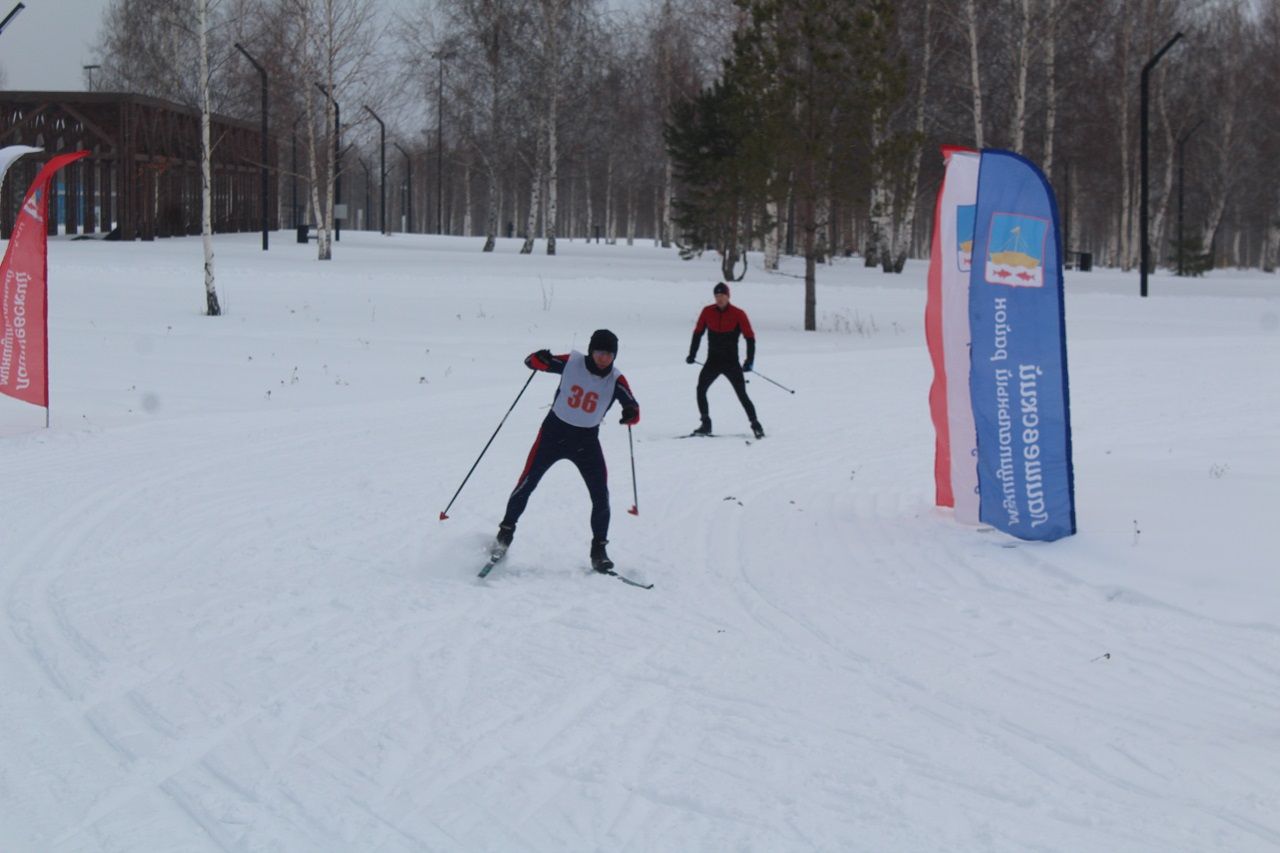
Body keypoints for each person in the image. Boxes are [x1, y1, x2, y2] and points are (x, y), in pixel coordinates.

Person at [494, 329, 640, 572]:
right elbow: (532, 362)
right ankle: (504, 537)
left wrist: (631, 413)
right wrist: (539, 358)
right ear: (591, 350)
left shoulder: (616, 379)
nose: (604, 358)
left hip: (586, 441)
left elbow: (633, 407)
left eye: (609, 354)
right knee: (526, 483)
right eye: (599, 352)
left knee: (600, 495)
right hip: (553, 434)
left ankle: (599, 551)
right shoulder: (572, 363)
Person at [686, 282, 764, 439]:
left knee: (742, 394)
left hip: (731, 363)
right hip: (713, 361)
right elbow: (698, 333)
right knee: (701, 389)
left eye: (722, 296)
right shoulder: (707, 312)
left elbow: (750, 338)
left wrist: (749, 361)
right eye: (717, 296)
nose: (719, 299)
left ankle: (756, 425)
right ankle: (706, 424)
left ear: (728, 296)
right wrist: (692, 354)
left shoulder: (738, 314)